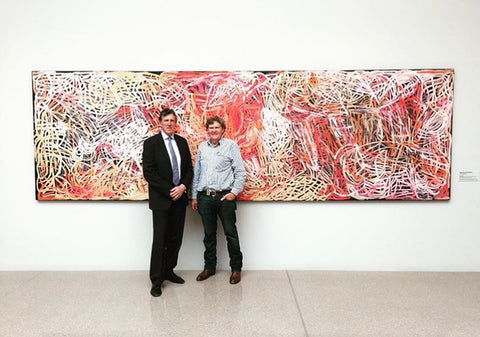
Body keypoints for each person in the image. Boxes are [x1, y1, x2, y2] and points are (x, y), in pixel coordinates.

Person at [142, 108, 193, 297]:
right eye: (166, 120)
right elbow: (149, 172)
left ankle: (169, 271)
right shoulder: (151, 144)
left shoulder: (182, 142)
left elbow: (188, 169)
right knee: (160, 240)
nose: (170, 123)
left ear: (176, 123)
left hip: (179, 199)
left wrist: (182, 187)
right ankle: (156, 280)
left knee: (175, 238)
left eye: (173, 120)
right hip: (161, 200)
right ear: (160, 123)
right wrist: (169, 189)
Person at [191, 116, 246, 284]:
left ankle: (236, 269)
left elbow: (241, 173)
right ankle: (209, 268)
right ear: (207, 130)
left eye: (217, 127)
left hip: (225, 197)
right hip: (205, 198)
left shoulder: (231, 146)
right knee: (209, 235)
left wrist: (234, 193)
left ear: (223, 130)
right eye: (211, 127)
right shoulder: (202, 148)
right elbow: (197, 173)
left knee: (231, 234)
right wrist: (194, 196)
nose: (214, 130)